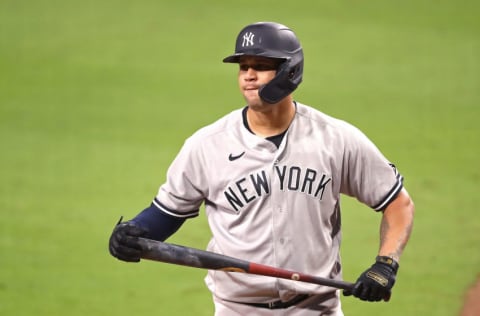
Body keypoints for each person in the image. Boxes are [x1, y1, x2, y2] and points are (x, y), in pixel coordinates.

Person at [109, 21, 415, 315]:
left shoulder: (335, 139)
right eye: (244, 67)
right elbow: (167, 214)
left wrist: (384, 265)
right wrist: (134, 235)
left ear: (290, 71)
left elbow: (397, 203)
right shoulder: (207, 145)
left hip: (315, 309)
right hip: (237, 310)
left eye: (261, 66)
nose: (249, 76)